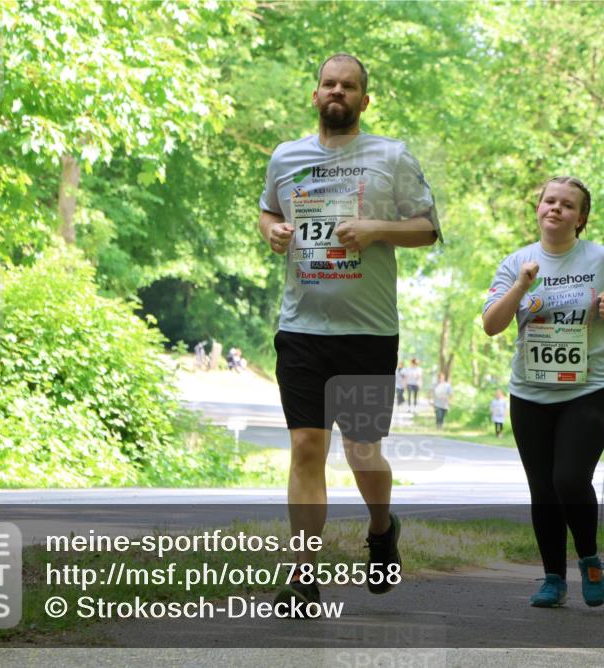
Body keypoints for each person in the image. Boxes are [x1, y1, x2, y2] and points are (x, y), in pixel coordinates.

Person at [258, 53, 441, 613]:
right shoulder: (286, 157)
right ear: (315, 96)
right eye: (329, 84)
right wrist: (274, 231)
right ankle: (303, 577)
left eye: (350, 86)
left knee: (363, 453)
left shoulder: (391, 157)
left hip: (367, 333)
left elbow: (428, 229)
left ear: (365, 99)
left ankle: (382, 529)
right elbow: (266, 211)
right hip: (302, 328)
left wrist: (374, 228)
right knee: (306, 447)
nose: (338, 92)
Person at [482, 176, 604, 609]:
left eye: (567, 205)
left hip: (586, 388)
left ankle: (590, 560)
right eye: (549, 201)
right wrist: (521, 286)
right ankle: (553, 577)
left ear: (581, 218)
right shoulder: (516, 262)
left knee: (569, 478)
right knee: (542, 488)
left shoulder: (602, 259)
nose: (556, 209)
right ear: (538, 208)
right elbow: (492, 324)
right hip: (530, 393)